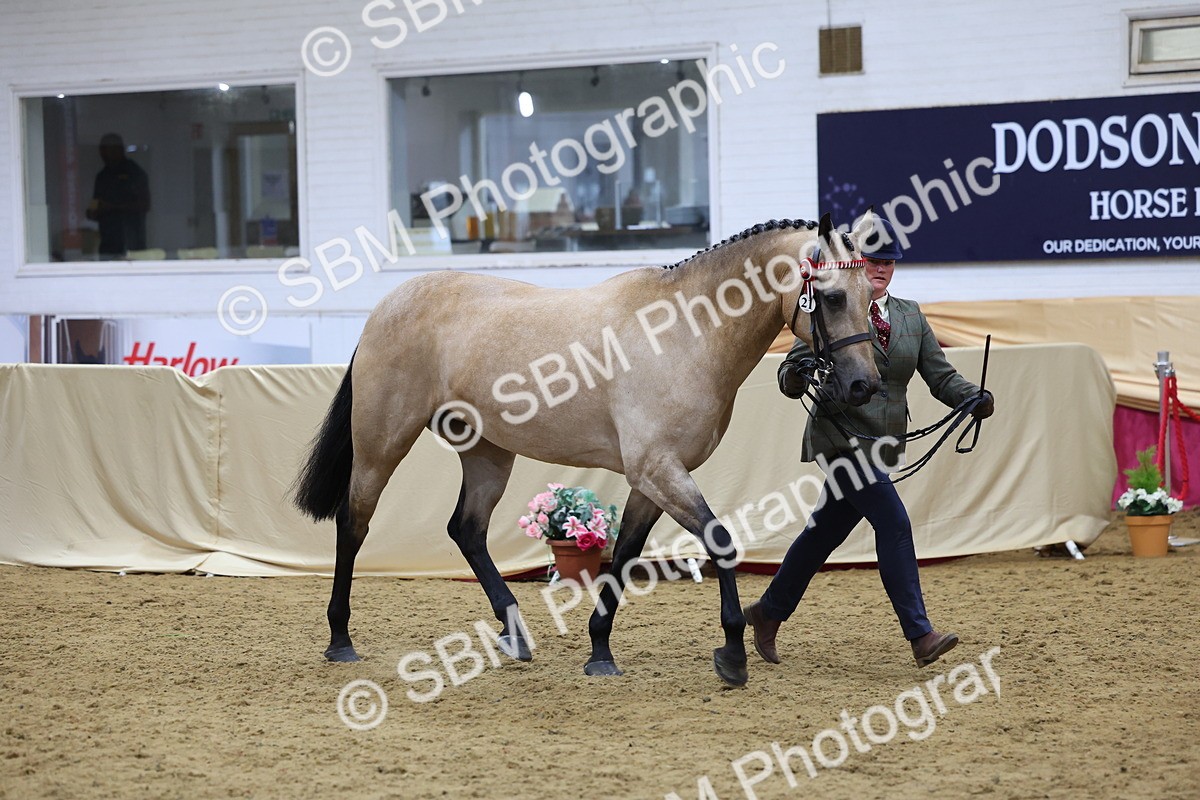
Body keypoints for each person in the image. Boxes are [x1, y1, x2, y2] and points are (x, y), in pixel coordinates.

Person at [743, 215, 994, 668]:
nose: (882, 268)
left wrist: (971, 397)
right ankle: (920, 635)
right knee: (894, 524)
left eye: (889, 262)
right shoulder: (835, 306)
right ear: (858, 263)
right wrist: (796, 376)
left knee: (822, 536)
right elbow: (790, 372)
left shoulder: (911, 316)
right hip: (840, 439)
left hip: (882, 444)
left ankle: (767, 611)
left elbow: (939, 376)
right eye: (874, 260)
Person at [85, 133, 150, 258]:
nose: (102, 154)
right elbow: (96, 203)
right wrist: (93, 212)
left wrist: (113, 207)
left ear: (119, 149)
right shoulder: (102, 176)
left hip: (131, 240)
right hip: (108, 242)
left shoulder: (135, 173)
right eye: (101, 150)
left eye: (106, 149)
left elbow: (144, 205)